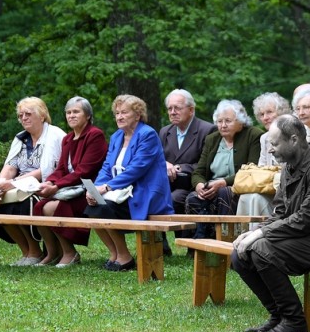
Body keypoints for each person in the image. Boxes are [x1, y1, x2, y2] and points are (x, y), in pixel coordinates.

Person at [231, 114, 310, 332]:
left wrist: (260, 234)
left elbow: (306, 219)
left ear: (294, 139)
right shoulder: (290, 166)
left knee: (261, 249)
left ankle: (294, 321)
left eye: (275, 144)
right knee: (240, 255)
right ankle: (278, 316)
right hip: (307, 235)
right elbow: (280, 211)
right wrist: (252, 234)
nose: (271, 150)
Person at [84, 95, 173, 271]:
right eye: (117, 113)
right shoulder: (117, 136)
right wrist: (95, 189)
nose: (119, 117)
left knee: (104, 208)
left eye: (124, 112)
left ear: (137, 115)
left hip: (143, 192)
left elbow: (137, 168)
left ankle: (124, 257)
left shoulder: (147, 134)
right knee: (92, 208)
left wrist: (107, 187)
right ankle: (114, 253)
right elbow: (107, 167)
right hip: (120, 192)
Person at [0, 97, 65, 266]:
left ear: (42, 115)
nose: (24, 118)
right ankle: (29, 251)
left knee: (23, 203)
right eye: (21, 115)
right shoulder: (21, 139)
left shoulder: (55, 135)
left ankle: (37, 251)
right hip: (20, 186)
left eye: (28, 114)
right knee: (4, 203)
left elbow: (50, 170)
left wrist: (13, 183)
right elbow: (9, 166)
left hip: (45, 186)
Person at [32, 96, 108, 267]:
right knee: (39, 206)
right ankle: (52, 253)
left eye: (76, 112)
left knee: (51, 207)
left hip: (88, 191)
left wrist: (56, 186)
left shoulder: (95, 135)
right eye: (68, 112)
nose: (71, 115)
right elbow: (60, 169)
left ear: (87, 115)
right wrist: (50, 182)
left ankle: (70, 252)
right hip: (68, 189)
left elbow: (84, 171)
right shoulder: (67, 139)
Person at [185, 99, 263, 238]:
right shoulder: (212, 139)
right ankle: (197, 243)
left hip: (238, 187)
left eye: (228, 121)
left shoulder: (253, 135)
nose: (223, 125)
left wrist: (223, 182)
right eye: (219, 121)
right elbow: (198, 171)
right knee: (193, 198)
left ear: (241, 121)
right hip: (212, 187)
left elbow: (252, 171)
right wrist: (200, 185)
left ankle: (225, 239)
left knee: (224, 192)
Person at [158, 89, 217, 253]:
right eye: (169, 109)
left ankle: (187, 242)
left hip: (192, 183)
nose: (172, 112)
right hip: (168, 183)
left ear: (191, 110)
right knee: (151, 196)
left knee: (174, 198)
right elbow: (156, 158)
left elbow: (208, 163)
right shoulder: (165, 132)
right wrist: (165, 164)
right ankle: (159, 244)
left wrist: (181, 168)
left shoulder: (207, 130)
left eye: (177, 108)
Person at [235, 92, 292, 222]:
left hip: (289, 190)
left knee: (255, 198)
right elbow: (261, 169)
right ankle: (242, 237)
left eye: (269, 112)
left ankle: (259, 237)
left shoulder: (293, 133)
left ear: (282, 112)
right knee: (246, 196)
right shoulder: (264, 138)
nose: (265, 117)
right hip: (270, 188)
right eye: (261, 114)